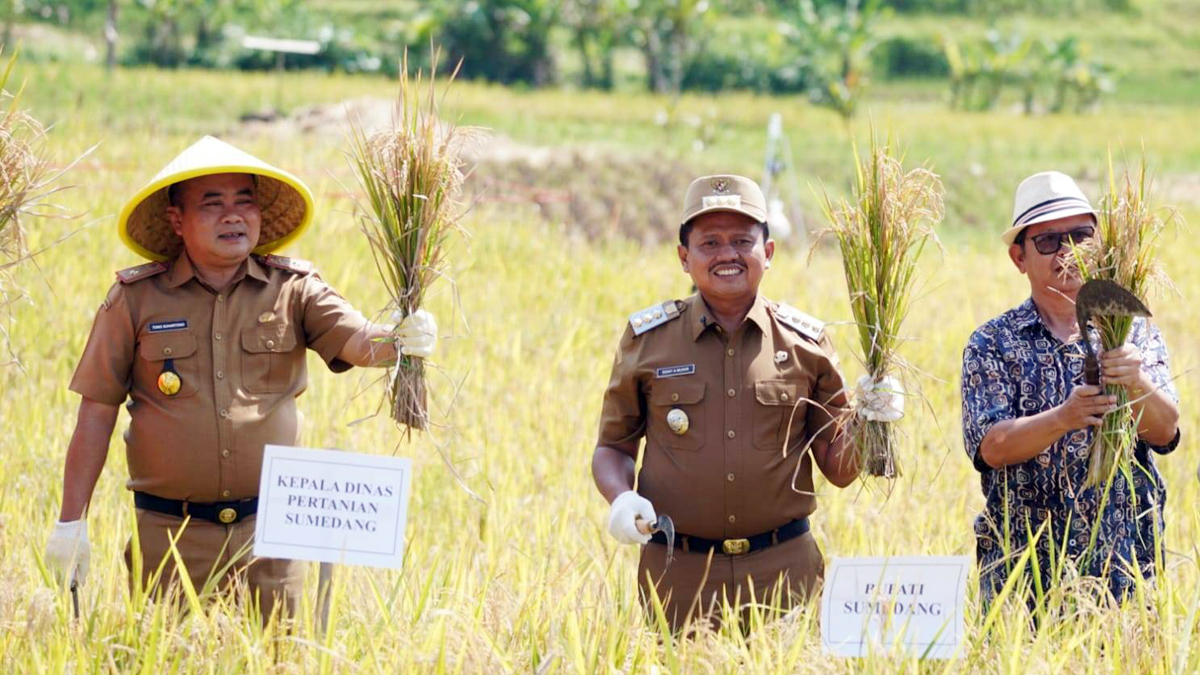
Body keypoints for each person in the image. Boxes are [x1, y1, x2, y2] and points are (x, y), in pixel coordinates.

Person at [42, 136, 438, 619]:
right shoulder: (136, 299)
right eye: (213, 204)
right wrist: (70, 523)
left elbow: (356, 341)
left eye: (244, 202)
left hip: (272, 533)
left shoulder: (295, 290)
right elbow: (96, 412)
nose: (233, 215)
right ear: (176, 221)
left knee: (279, 659)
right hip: (171, 536)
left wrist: (400, 339)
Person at [591, 174, 897, 631]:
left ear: (767, 253)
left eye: (741, 240)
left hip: (785, 573)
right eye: (709, 242)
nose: (727, 254)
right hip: (679, 572)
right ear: (683, 257)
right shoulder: (648, 342)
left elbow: (838, 467)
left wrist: (870, 420)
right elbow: (613, 447)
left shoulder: (806, 345)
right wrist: (621, 497)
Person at [961, 170, 1181, 606]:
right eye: (1048, 241)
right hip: (1023, 573)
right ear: (1018, 258)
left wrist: (1134, 380)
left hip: (1126, 568)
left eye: (1080, 235)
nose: (1067, 251)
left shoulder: (1131, 331)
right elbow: (991, 447)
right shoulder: (992, 343)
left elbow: (1166, 432)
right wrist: (1064, 418)